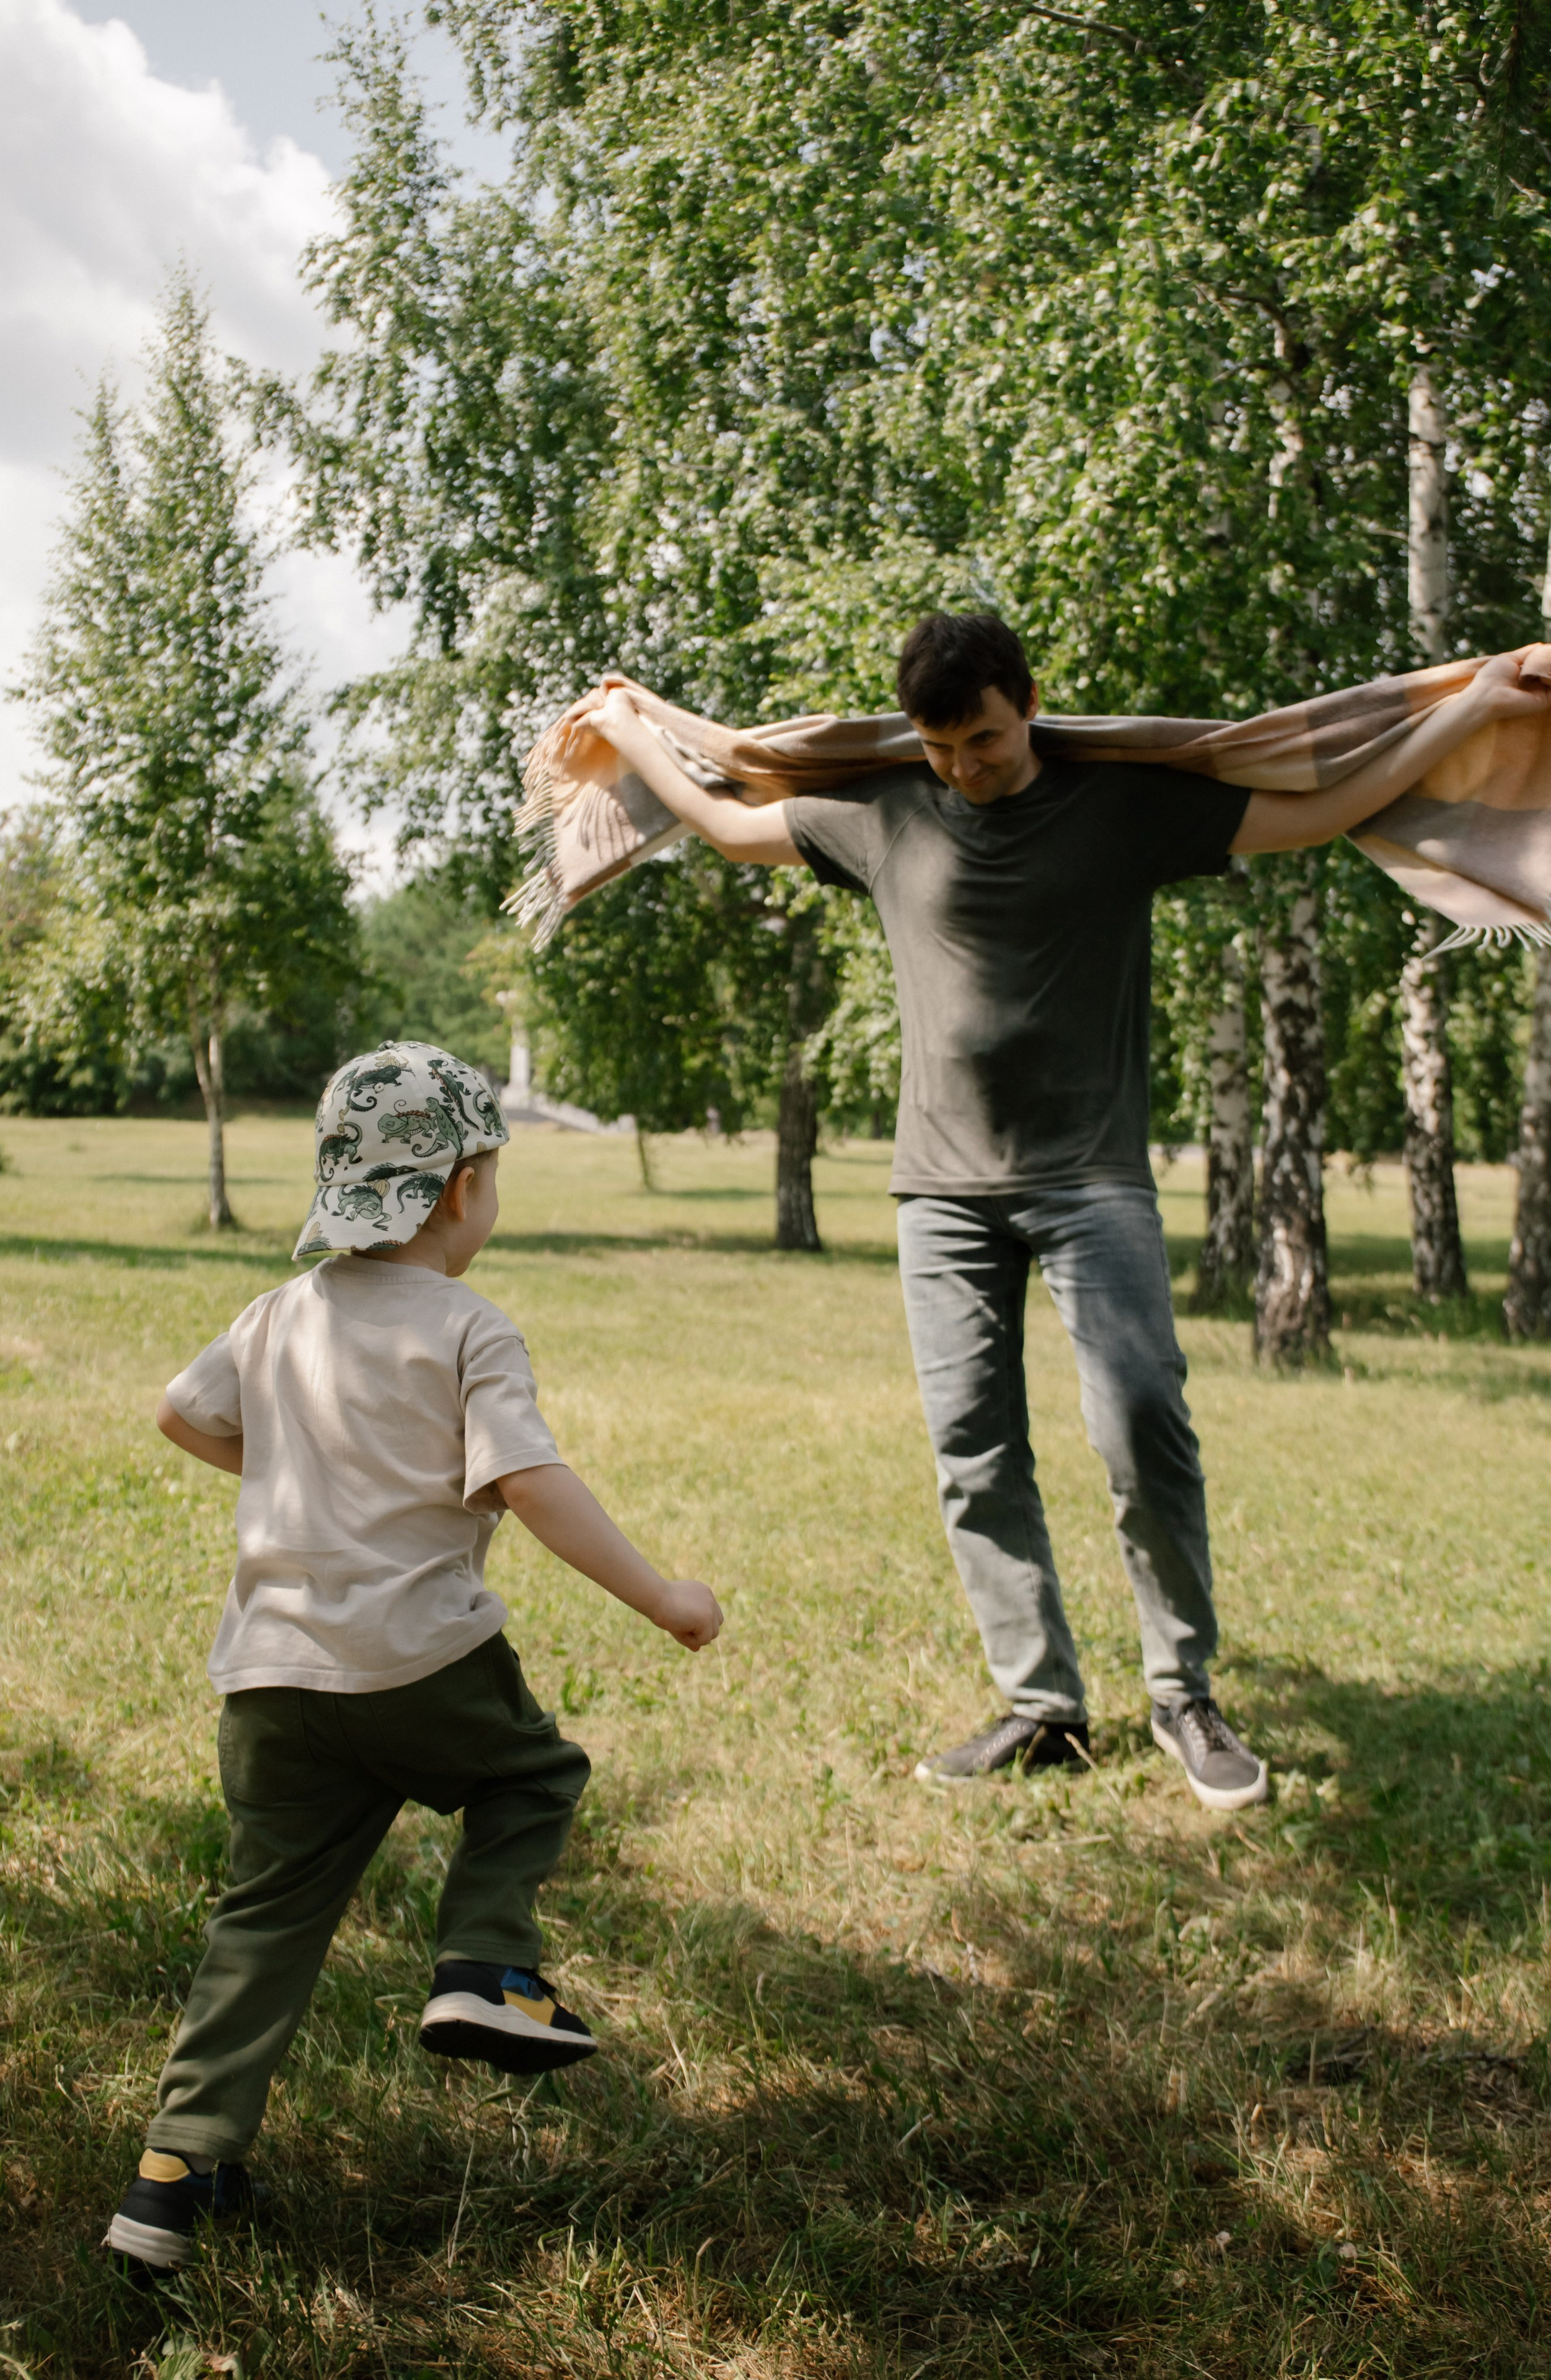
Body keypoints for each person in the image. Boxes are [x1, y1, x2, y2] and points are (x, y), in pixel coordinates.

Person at [587, 616, 1549, 1809]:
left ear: (1028, 703)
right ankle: (1042, 1706)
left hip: (1092, 1181)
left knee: (1144, 1426)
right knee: (973, 1451)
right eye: (940, 747)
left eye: (982, 739)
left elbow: (1327, 802)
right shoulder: (887, 812)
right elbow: (732, 827)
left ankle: (1184, 1692)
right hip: (938, 1191)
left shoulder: (1121, 808)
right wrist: (631, 724)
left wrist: (1478, 706)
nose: (964, 768)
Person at [104, 1040, 723, 2283]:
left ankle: (173, 2174)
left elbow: (180, 1412)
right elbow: (527, 1482)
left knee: (262, 1921)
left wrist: (299, 1476)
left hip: (271, 1680)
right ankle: (484, 1962)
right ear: (458, 1190)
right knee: (531, 1778)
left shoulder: (275, 1313)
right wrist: (662, 1593)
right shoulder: (466, 1326)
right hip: (422, 1659)